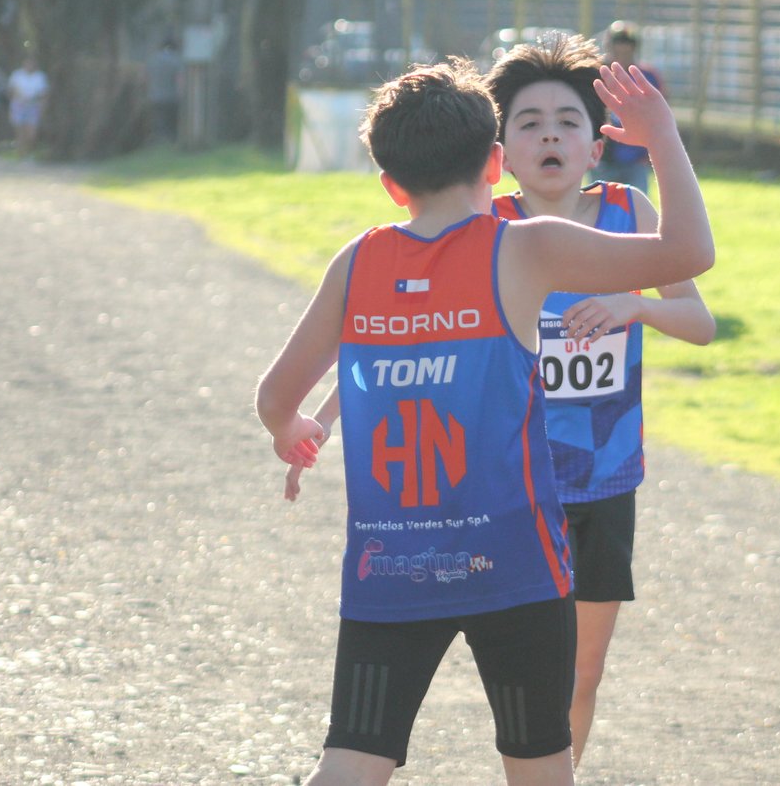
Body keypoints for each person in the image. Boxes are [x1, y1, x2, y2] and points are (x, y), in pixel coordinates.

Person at [254, 57, 713, 786]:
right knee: (538, 767)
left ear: (391, 184)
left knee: (348, 761)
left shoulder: (358, 260)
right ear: (497, 162)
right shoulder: (522, 247)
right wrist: (661, 139)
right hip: (516, 561)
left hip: (392, 563)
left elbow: (277, 395)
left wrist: (295, 431)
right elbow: (692, 254)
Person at [485, 35, 715, 767]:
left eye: (567, 120)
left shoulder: (631, 210)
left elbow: (701, 323)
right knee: (528, 669)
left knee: (583, 671)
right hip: (517, 485)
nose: (549, 132)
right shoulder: (488, 230)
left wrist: (635, 306)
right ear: (503, 152)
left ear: (593, 147)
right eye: (528, 122)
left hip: (606, 480)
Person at [591, 22, 663, 194]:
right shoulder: (596, 72)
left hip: (636, 157)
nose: (623, 49)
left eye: (627, 44)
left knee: (637, 210)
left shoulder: (646, 76)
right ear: (609, 45)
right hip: (603, 155)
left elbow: (659, 114)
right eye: (618, 43)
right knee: (598, 210)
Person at [7, 57, 49, 159]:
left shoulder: (40, 76)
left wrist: (42, 107)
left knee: (31, 132)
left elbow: (44, 94)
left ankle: (29, 153)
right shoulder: (17, 75)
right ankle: (21, 154)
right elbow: (11, 90)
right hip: (19, 105)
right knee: (19, 131)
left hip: (33, 105)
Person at [145, 37, 183, 145]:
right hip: (171, 97)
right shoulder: (176, 60)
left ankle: (160, 142)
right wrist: (181, 94)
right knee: (171, 123)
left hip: (155, 96)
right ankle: (171, 142)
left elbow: (146, 77)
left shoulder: (153, 59)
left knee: (159, 122)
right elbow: (179, 79)